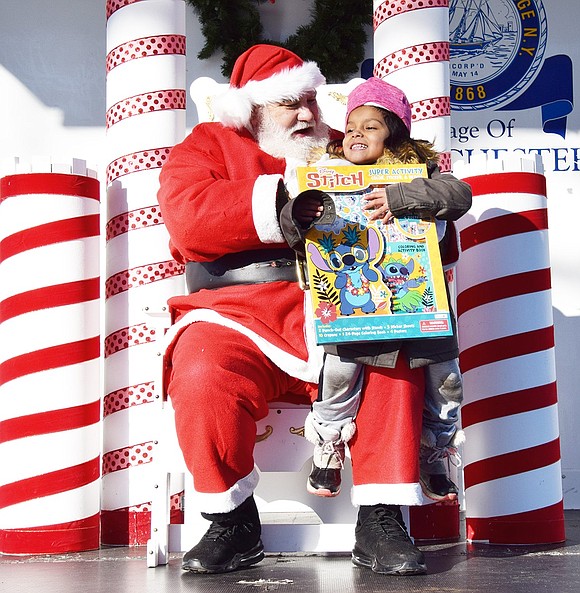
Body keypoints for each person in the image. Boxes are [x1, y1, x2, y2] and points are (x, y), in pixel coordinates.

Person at [157, 44, 430, 577]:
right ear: (251, 108)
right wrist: (286, 195)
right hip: (238, 310)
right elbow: (187, 217)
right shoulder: (209, 144)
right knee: (201, 370)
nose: (306, 113)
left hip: (346, 302)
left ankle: (380, 517)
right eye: (288, 103)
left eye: (310, 100)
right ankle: (232, 522)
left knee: (396, 348)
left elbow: (408, 200)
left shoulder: (344, 146)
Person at [279, 77, 471, 502]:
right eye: (350, 127)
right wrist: (302, 211)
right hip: (351, 310)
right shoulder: (326, 175)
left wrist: (400, 197)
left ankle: (434, 450)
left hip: (421, 310)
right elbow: (293, 230)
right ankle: (328, 446)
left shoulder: (422, 175)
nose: (356, 134)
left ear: (395, 135)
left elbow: (459, 195)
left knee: (448, 383)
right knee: (339, 378)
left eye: (371, 126)